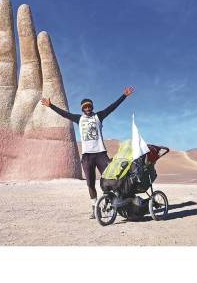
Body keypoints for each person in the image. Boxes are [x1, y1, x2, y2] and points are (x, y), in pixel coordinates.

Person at [40, 86, 135, 218]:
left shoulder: (99, 116)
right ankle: (94, 207)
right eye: (85, 107)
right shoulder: (79, 119)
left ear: (92, 107)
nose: (88, 109)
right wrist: (51, 106)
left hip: (101, 153)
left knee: (112, 179)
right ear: (82, 109)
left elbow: (112, 107)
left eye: (89, 106)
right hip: (87, 156)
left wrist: (124, 96)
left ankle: (117, 201)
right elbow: (64, 114)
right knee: (90, 183)